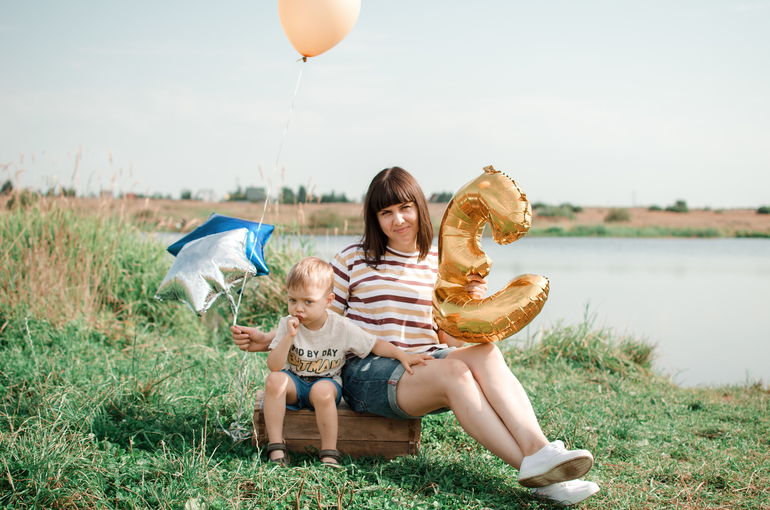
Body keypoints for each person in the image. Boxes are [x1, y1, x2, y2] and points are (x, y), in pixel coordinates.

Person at [232, 168, 600, 506]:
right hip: (368, 372)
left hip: (426, 362)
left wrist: (469, 304)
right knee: (454, 373)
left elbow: (450, 341)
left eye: (405, 208)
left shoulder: (440, 262)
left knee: (486, 352)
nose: (398, 220)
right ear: (375, 218)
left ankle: (540, 453)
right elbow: (320, 322)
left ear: (419, 208)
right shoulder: (353, 259)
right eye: (386, 212)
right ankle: (542, 477)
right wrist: (270, 338)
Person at [259, 256, 432, 467]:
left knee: (322, 391)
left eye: (308, 301)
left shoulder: (340, 326)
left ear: (328, 301)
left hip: (326, 383)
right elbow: (274, 366)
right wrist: (288, 337)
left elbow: (374, 344)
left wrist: (403, 355)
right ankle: (276, 445)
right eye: (292, 300)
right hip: (295, 384)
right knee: (274, 380)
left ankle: (328, 451)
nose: (298, 308)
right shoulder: (286, 324)